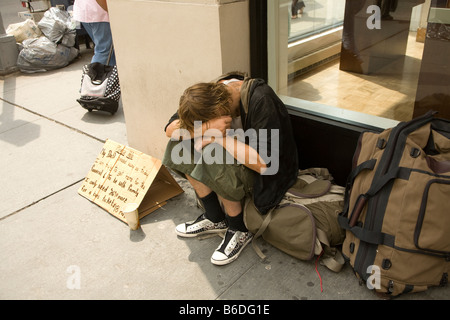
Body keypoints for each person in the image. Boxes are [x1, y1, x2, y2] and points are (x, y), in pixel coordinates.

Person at [162, 72, 298, 265]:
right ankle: (214, 217)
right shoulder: (215, 92)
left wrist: (220, 137)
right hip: (239, 160)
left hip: (267, 174)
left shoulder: (262, 100)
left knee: (213, 152)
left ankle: (239, 229)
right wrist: (206, 129)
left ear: (219, 108)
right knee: (179, 144)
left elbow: (265, 165)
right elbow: (170, 129)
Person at [73, 0, 116, 66]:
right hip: (99, 12)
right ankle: (93, 74)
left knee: (110, 52)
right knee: (104, 50)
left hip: (85, 10)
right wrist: (112, 10)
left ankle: (109, 74)